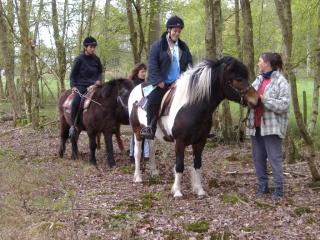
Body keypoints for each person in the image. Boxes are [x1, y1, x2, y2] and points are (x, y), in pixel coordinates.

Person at [140, 15, 193, 139]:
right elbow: (152, 65)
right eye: (175, 31)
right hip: (162, 83)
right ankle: (150, 128)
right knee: (152, 100)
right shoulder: (158, 46)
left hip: (179, 83)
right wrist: (159, 80)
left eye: (179, 31)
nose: (177, 33)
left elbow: (189, 65)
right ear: (169, 30)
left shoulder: (183, 47)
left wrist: (183, 80)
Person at [246, 52, 290, 200]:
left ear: (267, 63)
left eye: (260, 61)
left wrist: (265, 100)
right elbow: (249, 97)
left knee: (274, 158)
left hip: (272, 127)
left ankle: (278, 189)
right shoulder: (258, 80)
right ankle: (263, 186)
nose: (258, 63)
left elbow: (284, 105)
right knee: (258, 157)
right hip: (256, 125)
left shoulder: (281, 81)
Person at [69, 36, 103, 137]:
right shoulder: (79, 59)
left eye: (94, 47)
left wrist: (98, 80)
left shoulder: (96, 59)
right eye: (91, 47)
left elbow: (100, 72)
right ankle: (73, 126)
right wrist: (73, 86)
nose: (92, 49)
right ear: (85, 47)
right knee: (75, 102)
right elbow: (72, 75)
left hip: (94, 86)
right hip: (81, 86)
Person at [128, 63, 150, 161]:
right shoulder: (133, 83)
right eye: (142, 71)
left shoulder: (147, 83)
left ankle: (145, 154)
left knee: (145, 132)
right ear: (137, 72)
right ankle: (133, 154)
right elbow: (134, 98)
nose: (144, 74)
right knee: (135, 133)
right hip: (134, 110)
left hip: (144, 109)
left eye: (145, 71)